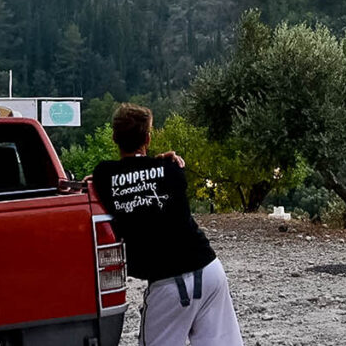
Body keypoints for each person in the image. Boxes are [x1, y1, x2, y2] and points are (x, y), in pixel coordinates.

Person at [91, 104, 243, 346]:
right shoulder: (171, 168)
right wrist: (162, 160)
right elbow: (153, 175)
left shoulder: (104, 176)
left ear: (114, 138)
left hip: (167, 283)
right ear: (148, 139)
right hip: (209, 268)